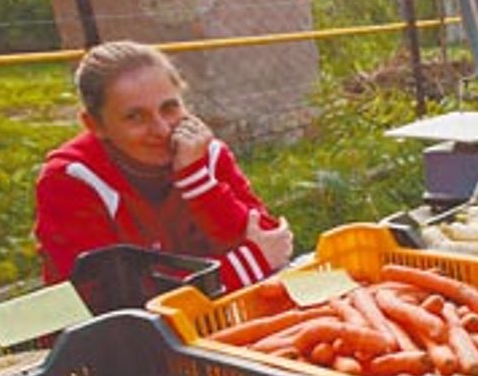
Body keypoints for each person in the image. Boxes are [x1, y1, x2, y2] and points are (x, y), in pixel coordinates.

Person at [34, 41, 293, 295]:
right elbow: (116, 303)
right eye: (135, 117)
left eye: (170, 108)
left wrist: (196, 181)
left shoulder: (204, 153)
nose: (161, 129)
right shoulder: (68, 180)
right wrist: (246, 266)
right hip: (114, 335)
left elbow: (271, 240)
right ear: (95, 125)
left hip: (218, 321)